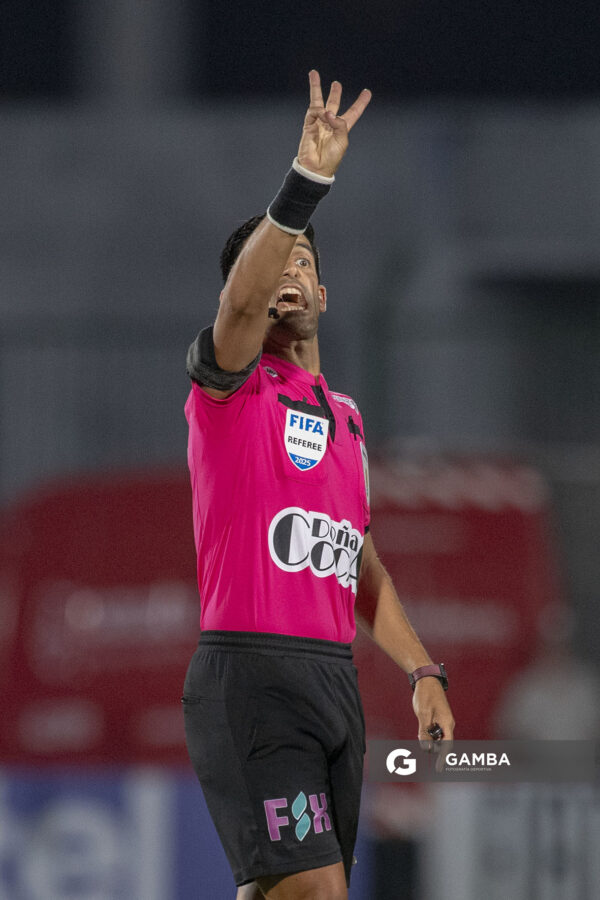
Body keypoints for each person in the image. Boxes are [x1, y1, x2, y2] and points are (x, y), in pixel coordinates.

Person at [182, 71, 455, 900]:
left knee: (278, 892)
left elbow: (357, 558)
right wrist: (307, 185)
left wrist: (422, 670)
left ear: (327, 294)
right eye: (274, 265)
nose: (291, 270)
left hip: (334, 683)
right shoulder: (227, 392)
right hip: (254, 679)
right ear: (253, 297)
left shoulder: (348, 419)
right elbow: (236, 311)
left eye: (305, 258)